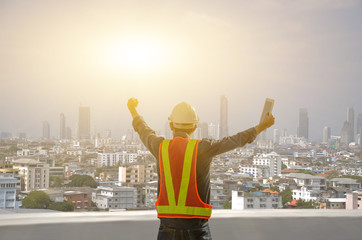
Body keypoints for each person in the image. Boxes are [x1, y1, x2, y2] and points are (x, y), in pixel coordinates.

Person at [127, 97, 275, 240]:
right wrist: (262, 126)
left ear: (171, 125)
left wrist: (133, 109)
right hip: (196, 230)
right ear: (195, 127)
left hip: (167, 228)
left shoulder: (160, 147)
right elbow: (236, 140)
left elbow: (143, 130)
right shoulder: (203, 148)